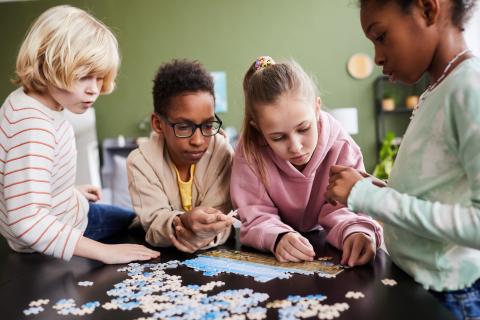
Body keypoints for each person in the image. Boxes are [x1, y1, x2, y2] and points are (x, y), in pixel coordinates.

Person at [325, 0, 480, 318]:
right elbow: (439, 191)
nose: (378, 56)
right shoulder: (437, 90)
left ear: (427, 9)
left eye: (381, 36)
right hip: (417, 283)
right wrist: (377, 188)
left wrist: (368, 197)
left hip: (450, 295)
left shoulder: (469, 88)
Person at [0, 5, 159, 264]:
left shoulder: (25, 102)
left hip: (65, 210)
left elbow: (19, 178)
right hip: (60, 231)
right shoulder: (34, 126)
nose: (94, 90)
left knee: (136, 217)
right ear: (46, 62)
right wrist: (105, 252)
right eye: (85, 76)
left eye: (99, 78)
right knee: (141, 222)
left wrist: (64, 191)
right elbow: (27, 220)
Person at [231, 56, 383, 265]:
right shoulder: (249, 152)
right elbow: (254, 213)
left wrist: (356, 232)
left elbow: (347, 208)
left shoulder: (342, 146)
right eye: (277, 137)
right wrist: (278, 237)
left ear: (317, 108)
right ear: (258, 129)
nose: (295, 146)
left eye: (303, 129)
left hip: (325, 240)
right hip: (278, 249)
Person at [127, 59, 234, 253]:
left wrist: (203, 235)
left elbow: (223, 220)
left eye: (208, 125)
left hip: (214, 255)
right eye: (184, 127)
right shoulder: (140, 163)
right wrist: (180, 222)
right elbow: (154, 222)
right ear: (158, 124)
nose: (198, 140)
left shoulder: (222, 154)